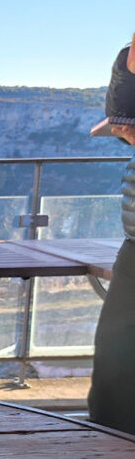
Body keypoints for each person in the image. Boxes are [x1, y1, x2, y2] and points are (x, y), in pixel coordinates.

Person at [87, 35, 135, 435]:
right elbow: (118, 117)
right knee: (114, 363)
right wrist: (128, 68)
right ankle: (106, 453)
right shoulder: (128, 57)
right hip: (134, 246)